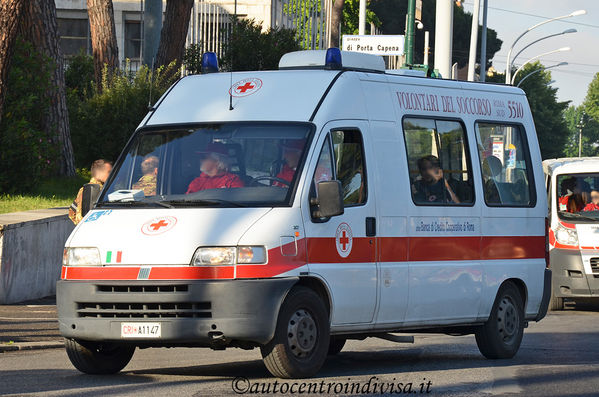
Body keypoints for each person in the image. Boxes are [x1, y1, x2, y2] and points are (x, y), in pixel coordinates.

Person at [69, 159, 112, 225]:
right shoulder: (93, 189)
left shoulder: (86, 188)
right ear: (100, 173)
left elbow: (71, 212)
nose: (111, 175)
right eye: (109, 172)